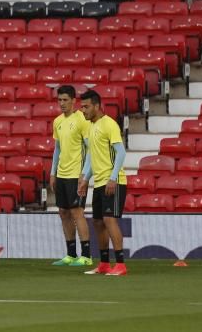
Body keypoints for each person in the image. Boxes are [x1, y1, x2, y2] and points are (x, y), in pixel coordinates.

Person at [78, 90, 128, 277]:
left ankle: (121, 265)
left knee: (108, 219)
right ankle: (105, 264)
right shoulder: (91, 127)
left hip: (113, 181)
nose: (83, 110)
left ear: (97, 106)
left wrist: (113, 177)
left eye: (86, 106)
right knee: (98, 222)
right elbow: (92, 155)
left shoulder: (109, 124)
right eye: (82, 107)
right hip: (99, 182)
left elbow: (121, 152)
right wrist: (85, 178)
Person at [49, 85, 93, 267]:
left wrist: (85, 175)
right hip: (62, 174)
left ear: (74, 101)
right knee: (63, 212)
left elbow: (90, 148)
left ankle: (87, 255)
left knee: (77, 213)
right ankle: (71, 254)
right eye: (59, 100)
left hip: (76, 174)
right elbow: (57, 149)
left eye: (65, 100)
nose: (62, 103)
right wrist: (53, 172)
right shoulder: (57, 121)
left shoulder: (82, 120)